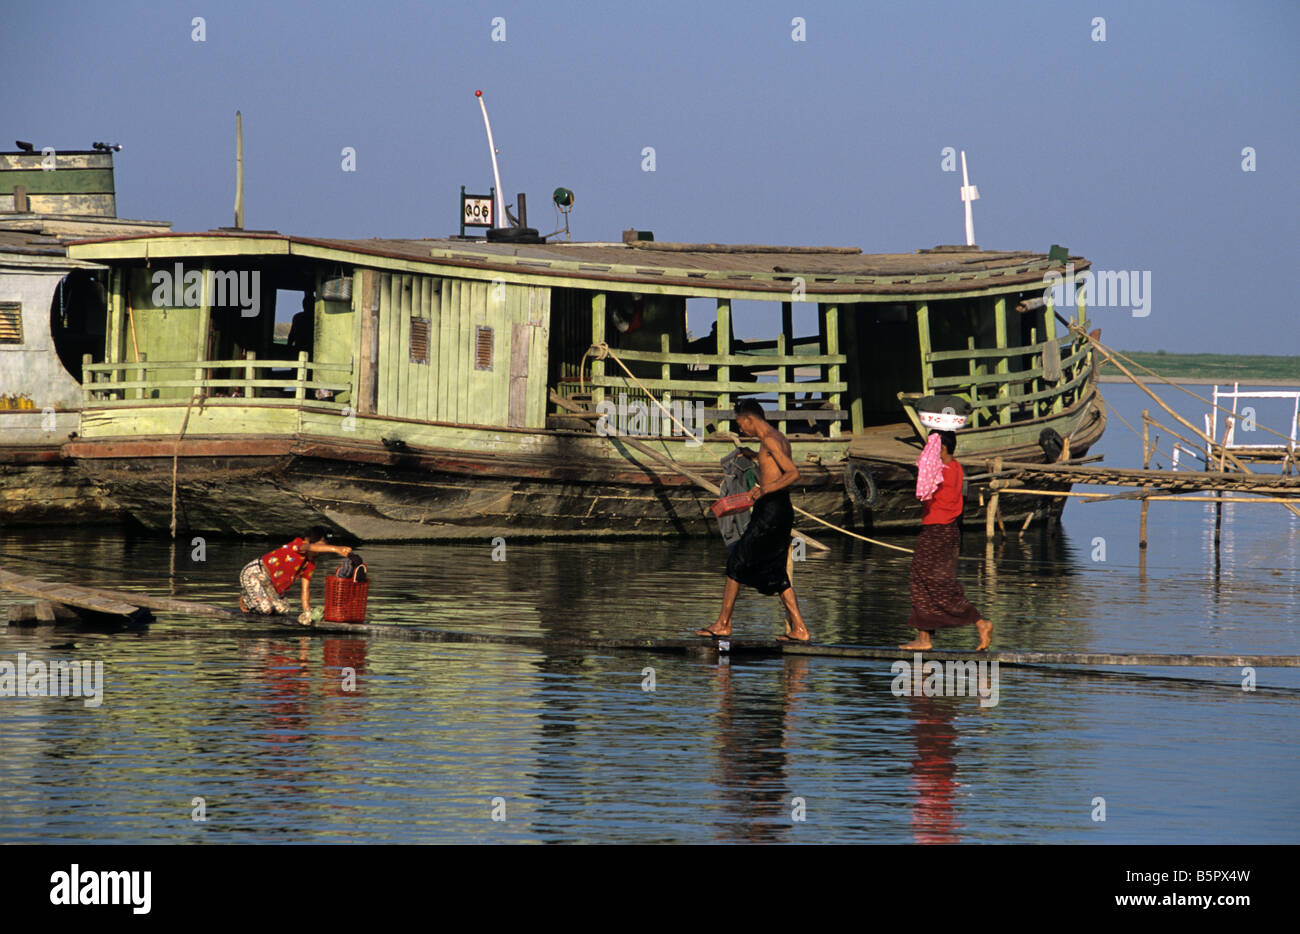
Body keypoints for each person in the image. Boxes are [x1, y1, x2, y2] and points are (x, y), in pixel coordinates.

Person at [697, 399, 811, 643]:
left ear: (749, 419)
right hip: (779, 509)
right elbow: (773, 465)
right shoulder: (775, 437)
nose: (740, 430)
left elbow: (792, 473)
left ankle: (723, 624)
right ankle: (799, 629)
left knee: (736, 562)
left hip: (771, 510)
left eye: (740, 424)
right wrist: (755, 457)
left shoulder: (769, 440)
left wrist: (765, 489)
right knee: (776, 570)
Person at [900, 430, 993, 651]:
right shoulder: (956, 467)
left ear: (941, 449)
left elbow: (927, 477)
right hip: (945, 530)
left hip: (937, 531)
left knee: (939, 583)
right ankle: (924, 638)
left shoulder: (943, 472)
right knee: (921, 579)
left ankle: (979, 622)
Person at [239, 526, 352, 624]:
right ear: (307, 541)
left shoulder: (310, 565)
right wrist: (335, 549)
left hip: (270, 584)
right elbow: (308, 548)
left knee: (284, 610)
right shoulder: (298, 545)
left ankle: (257, 600)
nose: (320, 553)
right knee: (266, 609)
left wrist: (307, 612)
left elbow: (305, 590)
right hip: (255, 573)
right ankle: (245, 600)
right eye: (320, 548)